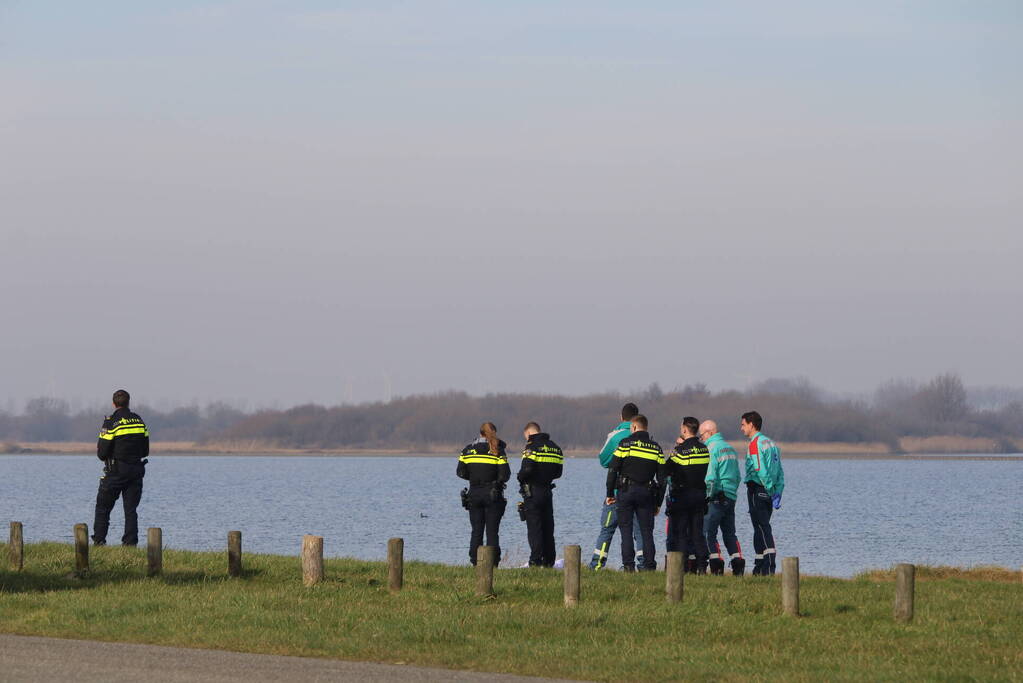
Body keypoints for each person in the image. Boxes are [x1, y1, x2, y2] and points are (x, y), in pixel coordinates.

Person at [605, 414, 666, 572]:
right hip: (647, 493)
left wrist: (610, 493)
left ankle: (628, 566)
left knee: (626, 530)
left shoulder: (625, 444)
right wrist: (658, 503)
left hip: (625, 491)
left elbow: (612, 470)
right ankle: (650, 566)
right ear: (646, 427)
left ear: (633, 427)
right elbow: (663, 480)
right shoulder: (656, 448)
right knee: (646, 531)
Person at [588, 402, 645, 570]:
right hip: (640, 492)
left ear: (621, 417)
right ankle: (643, 567)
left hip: (616, 491)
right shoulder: (645, 436)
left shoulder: (615, 435)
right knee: (639, 532)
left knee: (607, 529)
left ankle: (596, 565)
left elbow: (604, 460)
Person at [93, 389, 149, 547]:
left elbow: (102, 453)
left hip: (116, 472)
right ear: (128, 402)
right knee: (131, 510)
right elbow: (145, 451)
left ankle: (99, 541)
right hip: (136, 471)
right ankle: (130, 544)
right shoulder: (139, 420)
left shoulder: (111, 422)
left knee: (103, 508)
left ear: (113, 403)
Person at [457, 422, 511, 567]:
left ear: (480, 433)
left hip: (474, 493)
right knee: (492, 532)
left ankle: (475, 563)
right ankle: (493, 564)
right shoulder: (498, 450)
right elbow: (505, 475)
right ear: (494, 433)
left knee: (476, 531)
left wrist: (475, 479)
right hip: (493, 495)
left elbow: (460, 472)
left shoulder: (468, 450)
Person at [740, 410, 786, 576]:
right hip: (770, 492)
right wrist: (777, 491)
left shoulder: (755, 443)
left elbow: (760, 468)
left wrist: (767, 487)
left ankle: (768, 567)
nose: (741, 428)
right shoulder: (772, 444)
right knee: (759, 528)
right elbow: (780, 470)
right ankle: (759, 566)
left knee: (762, 527)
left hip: (757, 489)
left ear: (752, 425)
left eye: (743, 424)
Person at [665, 416, 710, 574]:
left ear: (684, 429)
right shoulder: (705, 449)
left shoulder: (680, 450)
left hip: (683, 496)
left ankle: (683, 567)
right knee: (698, 533)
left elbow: (667, 468)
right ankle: (702, 566)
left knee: (681, 533)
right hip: (699, 495)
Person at [700, 419, 745, 576]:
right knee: (729, 533)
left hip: (716, 497)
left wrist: (707, 496)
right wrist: (732, 492)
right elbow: (738, 476)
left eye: (702, 435)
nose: (701, 439)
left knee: (707, 532)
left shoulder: (711, 448)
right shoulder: (730, 449)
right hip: (731, 496)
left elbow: (710, 477)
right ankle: (738, 562)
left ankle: (716, 564)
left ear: (710, 433)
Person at [517, 422, 564, 567]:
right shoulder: (555, 448)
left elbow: (526, 469)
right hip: (547, 491)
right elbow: (558, 473)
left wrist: (520, 477)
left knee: (535, 527)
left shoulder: (531, 447)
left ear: (529, 433)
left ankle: (535, 561)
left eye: (526, 437)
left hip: (533, 492)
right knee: (548, 527)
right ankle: (549, 561)